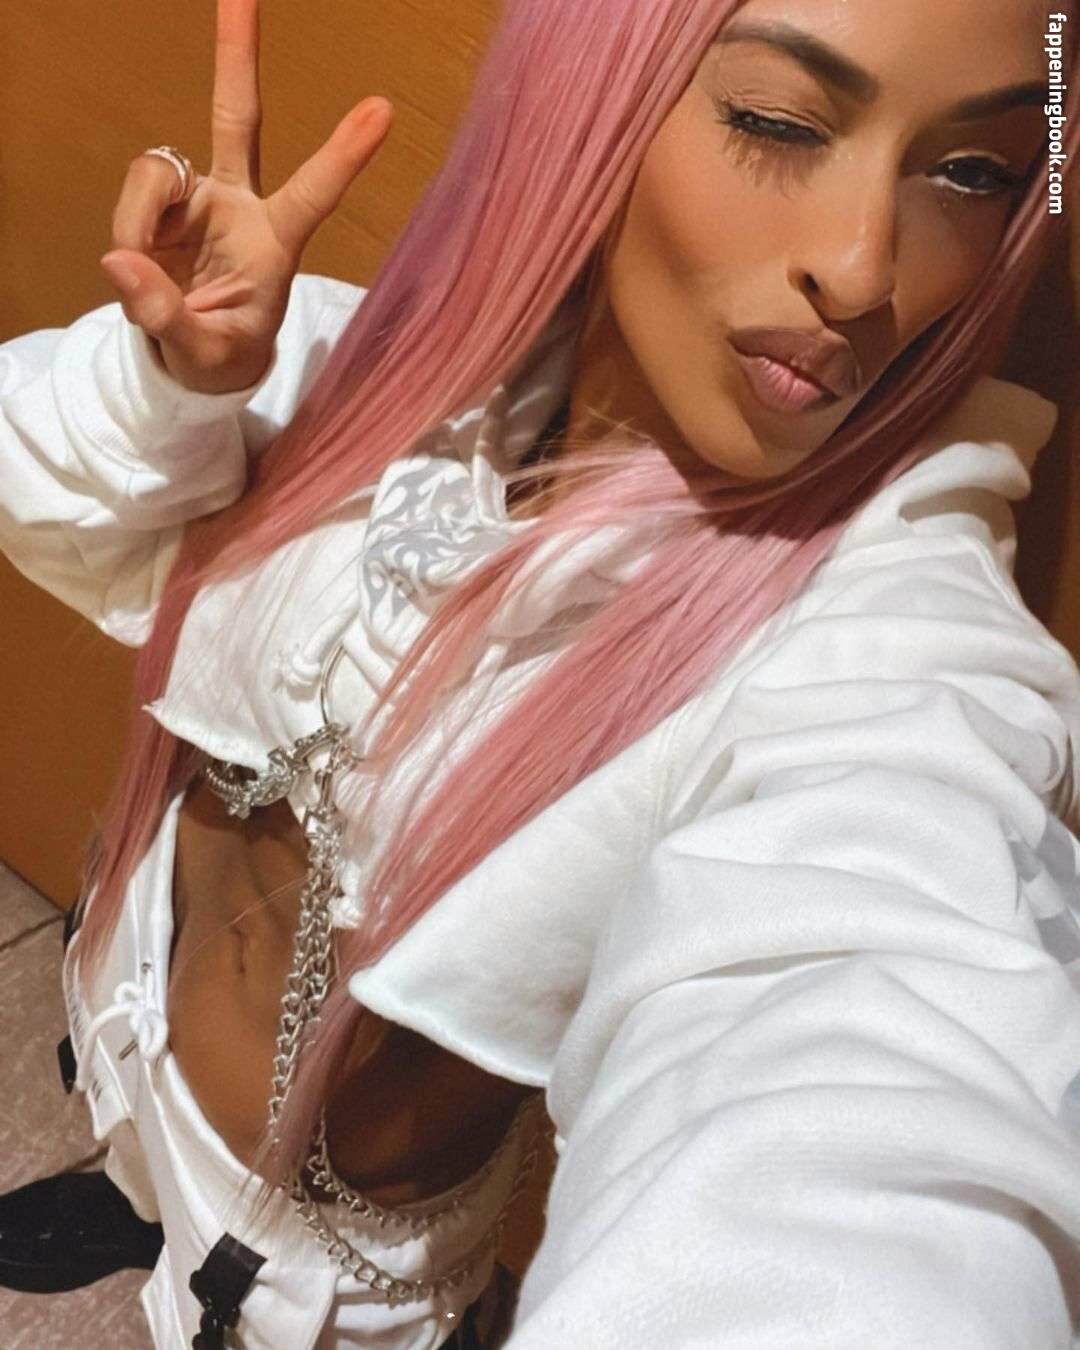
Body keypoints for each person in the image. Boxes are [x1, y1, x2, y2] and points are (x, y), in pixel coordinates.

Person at [2, 0, 1080, 1344]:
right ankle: (127, 1190)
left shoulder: (881, 639)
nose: (863, 270)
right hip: (132, 1025)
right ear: (589, 94)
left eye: (975, 172)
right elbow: (37, 479)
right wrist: (177, 386)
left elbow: (890, 1038)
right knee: (131, 1168)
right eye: (779, 121)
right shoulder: (375, 378)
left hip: (315, 1262)